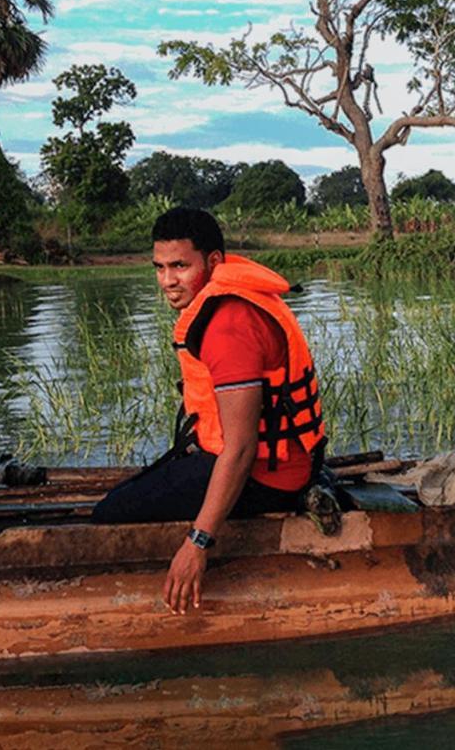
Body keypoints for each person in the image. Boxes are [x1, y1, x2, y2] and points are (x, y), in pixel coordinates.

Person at [92, 207, 325, 613]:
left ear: (214, 262)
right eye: (160, 267)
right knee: (133, 494)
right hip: (278, 463)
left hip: (269, 477)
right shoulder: (227, 303)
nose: (167, 280)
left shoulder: (228, 325)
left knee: (110, 515)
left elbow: (240, 449)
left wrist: (198, 542)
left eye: (180, 266)